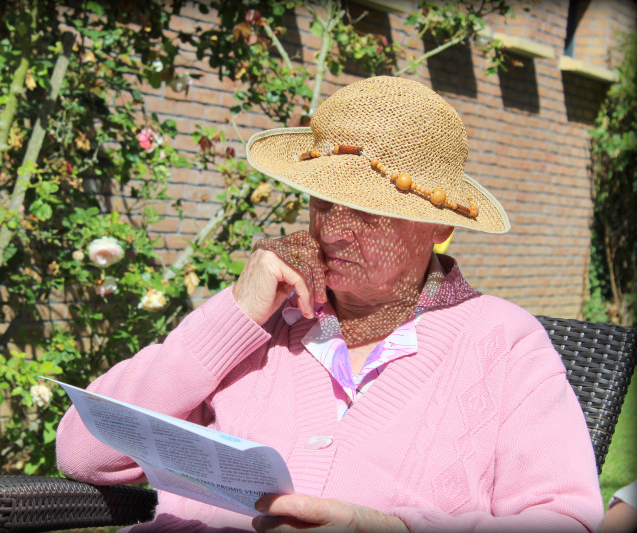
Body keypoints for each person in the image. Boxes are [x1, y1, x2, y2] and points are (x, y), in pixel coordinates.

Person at [56, 76, 603, 532]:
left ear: (440, 223)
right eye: (323, 201)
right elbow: (83, 452)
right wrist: (235, 314)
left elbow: (569, 519)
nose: (333, 231)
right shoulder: (262, 323)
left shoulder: (502, 343)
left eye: (367, 212)